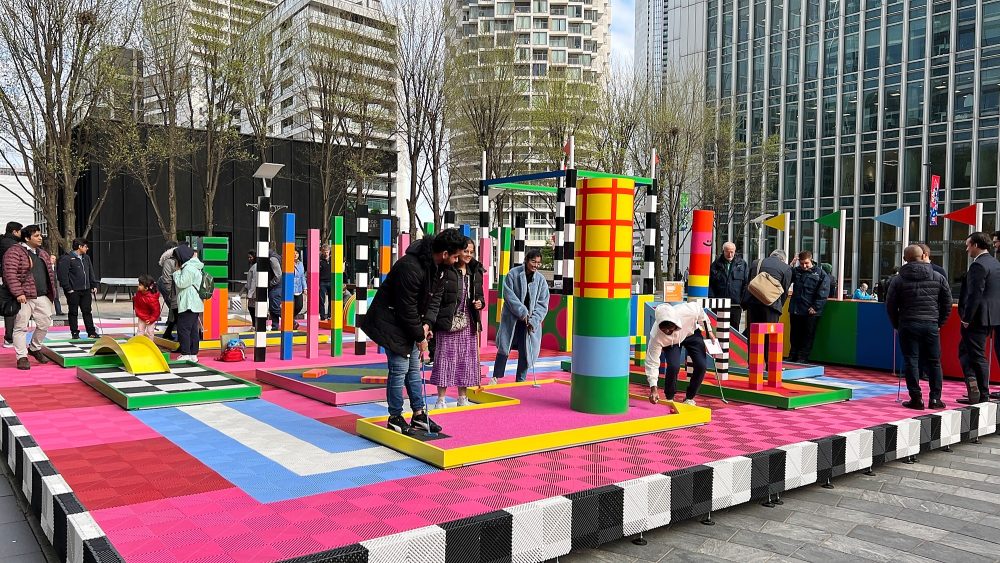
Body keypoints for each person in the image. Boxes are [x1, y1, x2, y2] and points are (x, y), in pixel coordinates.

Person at [360, 228, 466, 435]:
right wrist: (419, 336)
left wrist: (427, 325)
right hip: (391, 321)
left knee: (413, 371)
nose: (456, 261)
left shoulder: (440, 269)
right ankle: (395, 417)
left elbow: (435, 299)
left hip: (413, 322)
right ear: (445, 254)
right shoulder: (409, 267)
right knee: (399, 370)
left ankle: (418, 414)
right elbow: (405, 308)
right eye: (454, 256)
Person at [885, 244, 952, 410]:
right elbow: (947, 303)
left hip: (907, 324)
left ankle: (916, 398)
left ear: (905, 259)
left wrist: (897, 324)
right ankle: (935, 399)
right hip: (930, 324)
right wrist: (939, 323)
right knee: (934, 362)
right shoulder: (938, 277)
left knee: (911, 361)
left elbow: (890, 305)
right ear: (923, 256)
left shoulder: (898, 280)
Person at [428, 237, 486, 408]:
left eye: (471, 252)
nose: (468, 255)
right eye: (465, 251)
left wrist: (479, 303)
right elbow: (437, 297)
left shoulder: (475, 271)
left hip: (469, 320)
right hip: (448, 321)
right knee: (445, 358)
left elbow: (480, 295)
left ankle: (462, 397)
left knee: (466, 360)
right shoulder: (446, 270)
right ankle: (441, 399)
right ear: (458, 251)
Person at [493, 249, 551, 383]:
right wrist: (522, 311)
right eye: (533, 261)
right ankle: (496, 377)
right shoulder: (513, 274)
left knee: (526, 351)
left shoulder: (541, 280)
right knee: (504, 347)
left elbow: (543, 304)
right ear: (526, 260)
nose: (535, 265)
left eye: (538, 263)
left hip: (529, 321)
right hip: (512, 318)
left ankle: (521, 378)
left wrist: (534, 320)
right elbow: (508, 296)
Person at [644, 301, 718, 406]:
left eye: (670, 328)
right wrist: (653, 388)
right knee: (673, 366)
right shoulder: (656, 336)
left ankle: (690, 398)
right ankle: (669, 397)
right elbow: (652, 363)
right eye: (663, 329)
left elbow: (700, 311)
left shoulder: (687, 311)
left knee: (701, 365)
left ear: (675, 322)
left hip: (691, 333)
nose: (667, 331)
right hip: (671, 343)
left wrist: (709, 331)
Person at [2, 225, 54, 370]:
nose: (40, 238)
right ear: (27, 238)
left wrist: (51, 294)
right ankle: (22, 357)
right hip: (24, 296)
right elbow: (10, 274)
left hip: (42, 295)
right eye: (37, 235)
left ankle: (34, 347)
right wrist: (18, 293)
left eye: (40, 235)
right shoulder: (14, 252)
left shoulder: (42, 253)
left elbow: (49, 274)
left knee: (45, 322)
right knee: (20, 327)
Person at [957, 232, 1000, 404]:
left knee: (975, 355)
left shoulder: (978, 266)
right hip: (991, 317)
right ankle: (976, 390)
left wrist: (966, 318)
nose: (967, 249)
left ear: (975, 245)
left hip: (976, 318)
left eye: (968, 245)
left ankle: (982, 394)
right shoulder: (995, 263)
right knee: (967, 351)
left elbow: (975, 294)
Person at [787, 251, 830, 363]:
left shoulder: (820, 274)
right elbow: (785, 278)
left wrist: (815, 307)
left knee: (807, 336)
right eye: (801, 264)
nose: (804, 266)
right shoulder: (796, 271)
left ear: (811, 260)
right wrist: (791, 265)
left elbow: (823, 292)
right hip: (796, 309)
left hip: (810, 311)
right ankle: (793, 355)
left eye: (806, 263)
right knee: (794, 334)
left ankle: (803, 357)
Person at [56, 238, 99, 339]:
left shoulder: (86, 258)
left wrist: (93, 285)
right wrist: (68, 289)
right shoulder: (67, 258)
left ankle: (91, 332)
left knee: (87, 311)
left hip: (86, 289)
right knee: (73, 312)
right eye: (85, 246)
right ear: (79, 247)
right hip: (73, 290)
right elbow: (62, 275)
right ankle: (74, 332)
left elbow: (90, 272)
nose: (87, 248)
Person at [742, 249, 793, 333]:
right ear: (783, 259)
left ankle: (752, 346)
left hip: (753, 303)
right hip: (771, 306)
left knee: (753, 333)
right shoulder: (786, 268)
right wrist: (779, 306)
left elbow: (749, 283)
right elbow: (784, 291)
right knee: (769, 334)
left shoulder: (756, 263)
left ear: (771, 255)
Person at [171, 245, 204, 362]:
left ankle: (186, 353)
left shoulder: (188, 268)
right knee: (193, 329)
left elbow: (181, 283)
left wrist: (176, 273)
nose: (176, 261)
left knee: (183, 328)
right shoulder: (194, 266)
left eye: (176, 258)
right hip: (194, 303)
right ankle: (193, 354)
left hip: (188, 303)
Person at [708, 241, 748, 331]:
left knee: (734, 331)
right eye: (727, 252)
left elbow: (746, 284)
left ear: (735, 251)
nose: (730, 254)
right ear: (723, 251)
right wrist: (712, 299)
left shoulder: (742, 265)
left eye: (732, 252)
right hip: (719, 304)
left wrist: (742, 301)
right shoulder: (715, 265)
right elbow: (710, 284)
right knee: (719, 329)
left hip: (735, 305)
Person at [0, 221, 22, 347]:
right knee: (10, 308)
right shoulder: (12, 245)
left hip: (6, 278)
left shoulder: (5, 242)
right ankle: (9, 337)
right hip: (9, 279)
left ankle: (10, 337)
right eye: (20, 231)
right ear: (15, 232)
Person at [158, 241, 179, 340]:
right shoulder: (169, 260)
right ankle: (169, 332)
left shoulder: (172, 259)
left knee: (174, 310)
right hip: (170, 289)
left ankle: (168, 332)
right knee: (176, 310)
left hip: (171, 288)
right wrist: (171, 293)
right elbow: (167, 280)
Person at [134, 274, 162, 338]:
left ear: (146, 288)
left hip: (150, 317)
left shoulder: (151, 298)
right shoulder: (139, 293)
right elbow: (138, 301)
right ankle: (138, 343)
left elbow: (156, 310)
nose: (138, 286)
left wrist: (151, 319)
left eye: (140, 285)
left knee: (150, 332)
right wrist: (134, 299)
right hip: (141, 315)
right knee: (140, 331)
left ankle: (150, 344)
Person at [267, 247, 283, 329]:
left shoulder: (272, 259)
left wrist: (271, 283)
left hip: (276, 286)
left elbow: (278, 275)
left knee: (275, 307)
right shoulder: (275, 257)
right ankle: (275, 326)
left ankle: (291, 321)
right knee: (272, 307)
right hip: (276, 286)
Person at [292, 248, 306, 328]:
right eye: (294, 253)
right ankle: (291, 321)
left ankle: (290, 319)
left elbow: (302, 276)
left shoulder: (300, 264)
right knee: (290, 306)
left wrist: (305, 288)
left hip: (299, 289)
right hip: (290, 289)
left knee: (299, 306)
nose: (295, 255)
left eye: (297, 253)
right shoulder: (287, 262)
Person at [319, 245, 332, 321]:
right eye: (325, 252)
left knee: (331, 299)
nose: (326, 253)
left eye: (327, 252)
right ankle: (323, 316)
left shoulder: (332, 259)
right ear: (322, 252)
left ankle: (330, 315)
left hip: (331, 281)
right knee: (321, 299)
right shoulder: (320, 260)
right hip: (322, 282)